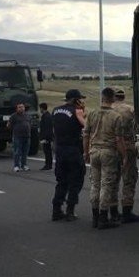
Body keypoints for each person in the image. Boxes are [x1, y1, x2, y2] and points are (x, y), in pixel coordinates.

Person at [83, 87, 127, 229]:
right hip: (108, 152)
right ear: (113, 99)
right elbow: (119, 140)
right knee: (107, 184)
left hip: (94, 150)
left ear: (102, 98)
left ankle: (95, 216)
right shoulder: (116, 116)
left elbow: (86, 136)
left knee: (95, 184)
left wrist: (86, 152)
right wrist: (124, 155)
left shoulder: (92, 114)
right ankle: (103, 217)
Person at [50, 89, 87, 221]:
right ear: (75, 99)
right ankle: (70, 210)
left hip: (59, 149)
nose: (81, 101)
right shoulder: (77, 111)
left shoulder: (55, 110)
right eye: (80, 99)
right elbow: (86, 126)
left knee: (61, 181)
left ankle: (56, 209)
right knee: (76, 180)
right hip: (73, 149)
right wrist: (83, 112)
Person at [112, 87, 139, 223]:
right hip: (127, 145)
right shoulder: (130, 110)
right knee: (129, 178)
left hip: (110, 147)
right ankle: (127, 211)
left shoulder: (105, 110)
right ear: (123, 96)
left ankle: (112, 210)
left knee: (112, 179)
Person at [8, 102, 31, 172]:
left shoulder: (27, 115)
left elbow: (29, 123)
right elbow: (9, 125)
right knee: (17, 151)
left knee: (25, 151)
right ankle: (16, 166)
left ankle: (24, 165)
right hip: (17, 136)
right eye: (19, 107)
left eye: (22, 107)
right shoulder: (14, 116)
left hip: (27, 136)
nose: (21, 108)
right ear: (17, 109)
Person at [38, 102, 54, 170]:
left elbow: (47, 128)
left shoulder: (46, 116)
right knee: (47, 151)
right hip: (47, 136)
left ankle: (48, 165)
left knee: (47, 151)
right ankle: (48, 164)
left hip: (46, 137)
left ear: (42, 108)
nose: (40, 110)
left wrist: (45, 138)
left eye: (40, 108)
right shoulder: (47, 115)